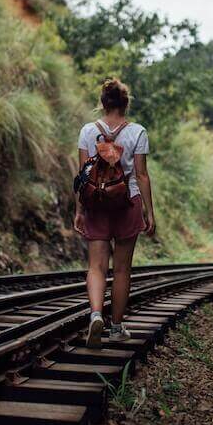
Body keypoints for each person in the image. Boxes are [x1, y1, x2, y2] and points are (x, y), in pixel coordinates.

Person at [74, 78, 156, 347]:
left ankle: (96, 314)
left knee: (96, 266)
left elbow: (84, 175)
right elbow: (142, 175)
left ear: (103, 103)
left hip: (96, 204)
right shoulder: (138, 132)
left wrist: (79, 209)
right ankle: (117, 327)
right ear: (125, 104)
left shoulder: (88, 131)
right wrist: (149, 212)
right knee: (121, 270)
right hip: (127, 202)